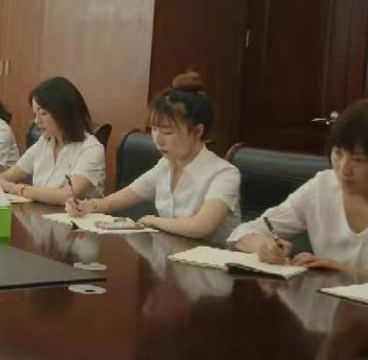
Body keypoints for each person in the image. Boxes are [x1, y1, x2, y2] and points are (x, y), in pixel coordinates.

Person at [231, 99, 368, 279]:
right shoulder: (322, 187)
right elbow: (243, 232)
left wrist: (345, 271)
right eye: (338, 154)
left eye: (358, 160)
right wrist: (263, 246)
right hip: (326, 311)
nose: (343, 169)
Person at [66, 73, 240, 241]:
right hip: (170, 255)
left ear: (198, 131)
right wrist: (86, 206)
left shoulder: (224, 174)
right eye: (154, 130)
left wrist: (153, 221)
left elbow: (201, 226)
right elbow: (113, 202)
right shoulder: (165, 166)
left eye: (167, 132)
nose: (157, 140)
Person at [0, 76, 104, 204]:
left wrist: (15, 188)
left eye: (43, 113)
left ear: (63, 112)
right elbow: (9, 176)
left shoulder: (91, 149)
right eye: (35, 114)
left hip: (72, 216)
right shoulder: (44, 142)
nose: (37, 121)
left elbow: (66, 196)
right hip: (40, 212)